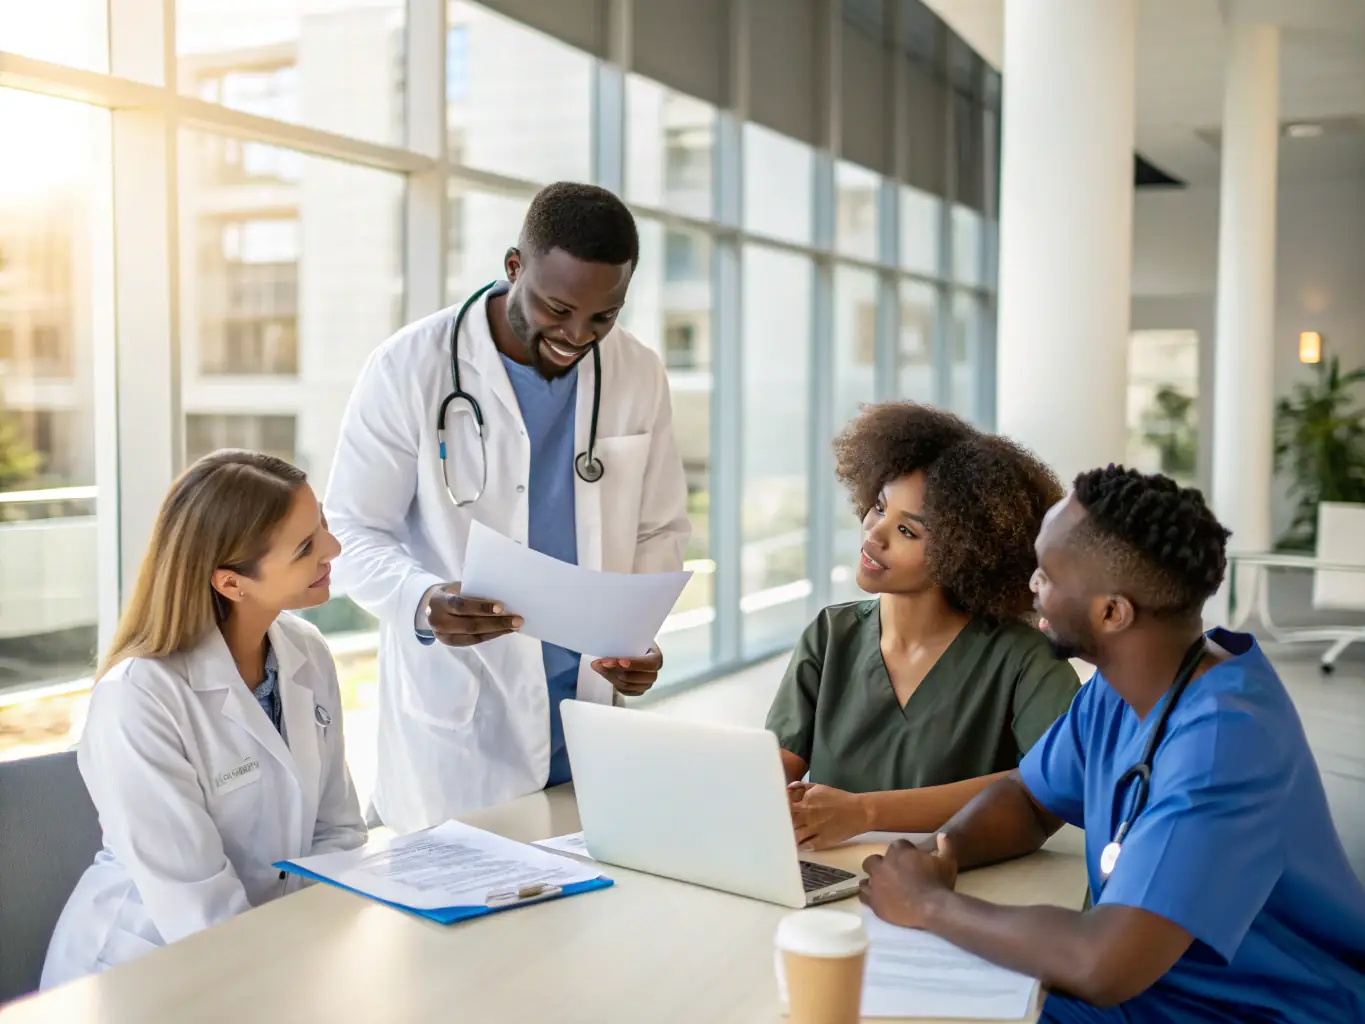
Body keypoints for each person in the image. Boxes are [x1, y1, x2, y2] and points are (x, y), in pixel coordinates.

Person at [860, 466, 1365, 1023]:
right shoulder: (1124, 686)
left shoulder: (1225, 745)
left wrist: (931, 905)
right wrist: (942, 856)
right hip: (1150, 996)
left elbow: (1101, 964)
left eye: (1047, 574)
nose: (1031, 585)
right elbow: (1028, 801)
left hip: (1254, 1013)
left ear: (1111, 612)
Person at [325, 182, 689, 832]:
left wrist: (637, 638)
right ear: (513, 267)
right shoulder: (410, 367)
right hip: (460, 732)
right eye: (557, 308)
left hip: (585, 725)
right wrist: (421, 600)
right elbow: (350, 530)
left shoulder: (636, 372)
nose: (577, 334)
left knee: (579, 923)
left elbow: (658, 526)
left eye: (602, 316)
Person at [42, 451, 365, 988]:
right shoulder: (139, 699)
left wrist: (321, 951)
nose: (333, 549)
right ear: (231, 584)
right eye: (306, 546)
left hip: (269, 952)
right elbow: (198, 911)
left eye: (324, 525)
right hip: (144, 976)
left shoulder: (306, 652)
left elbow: (339, 833)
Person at [766, 403, 1080, 850]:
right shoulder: (831, 635)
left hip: (964, 891)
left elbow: (1051, 792)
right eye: (878, 507)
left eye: (908, 531)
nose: (874, 534)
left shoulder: (1024, 660)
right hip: (825, 879)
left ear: (965, 552)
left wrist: (864, 812)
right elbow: (772, 772)